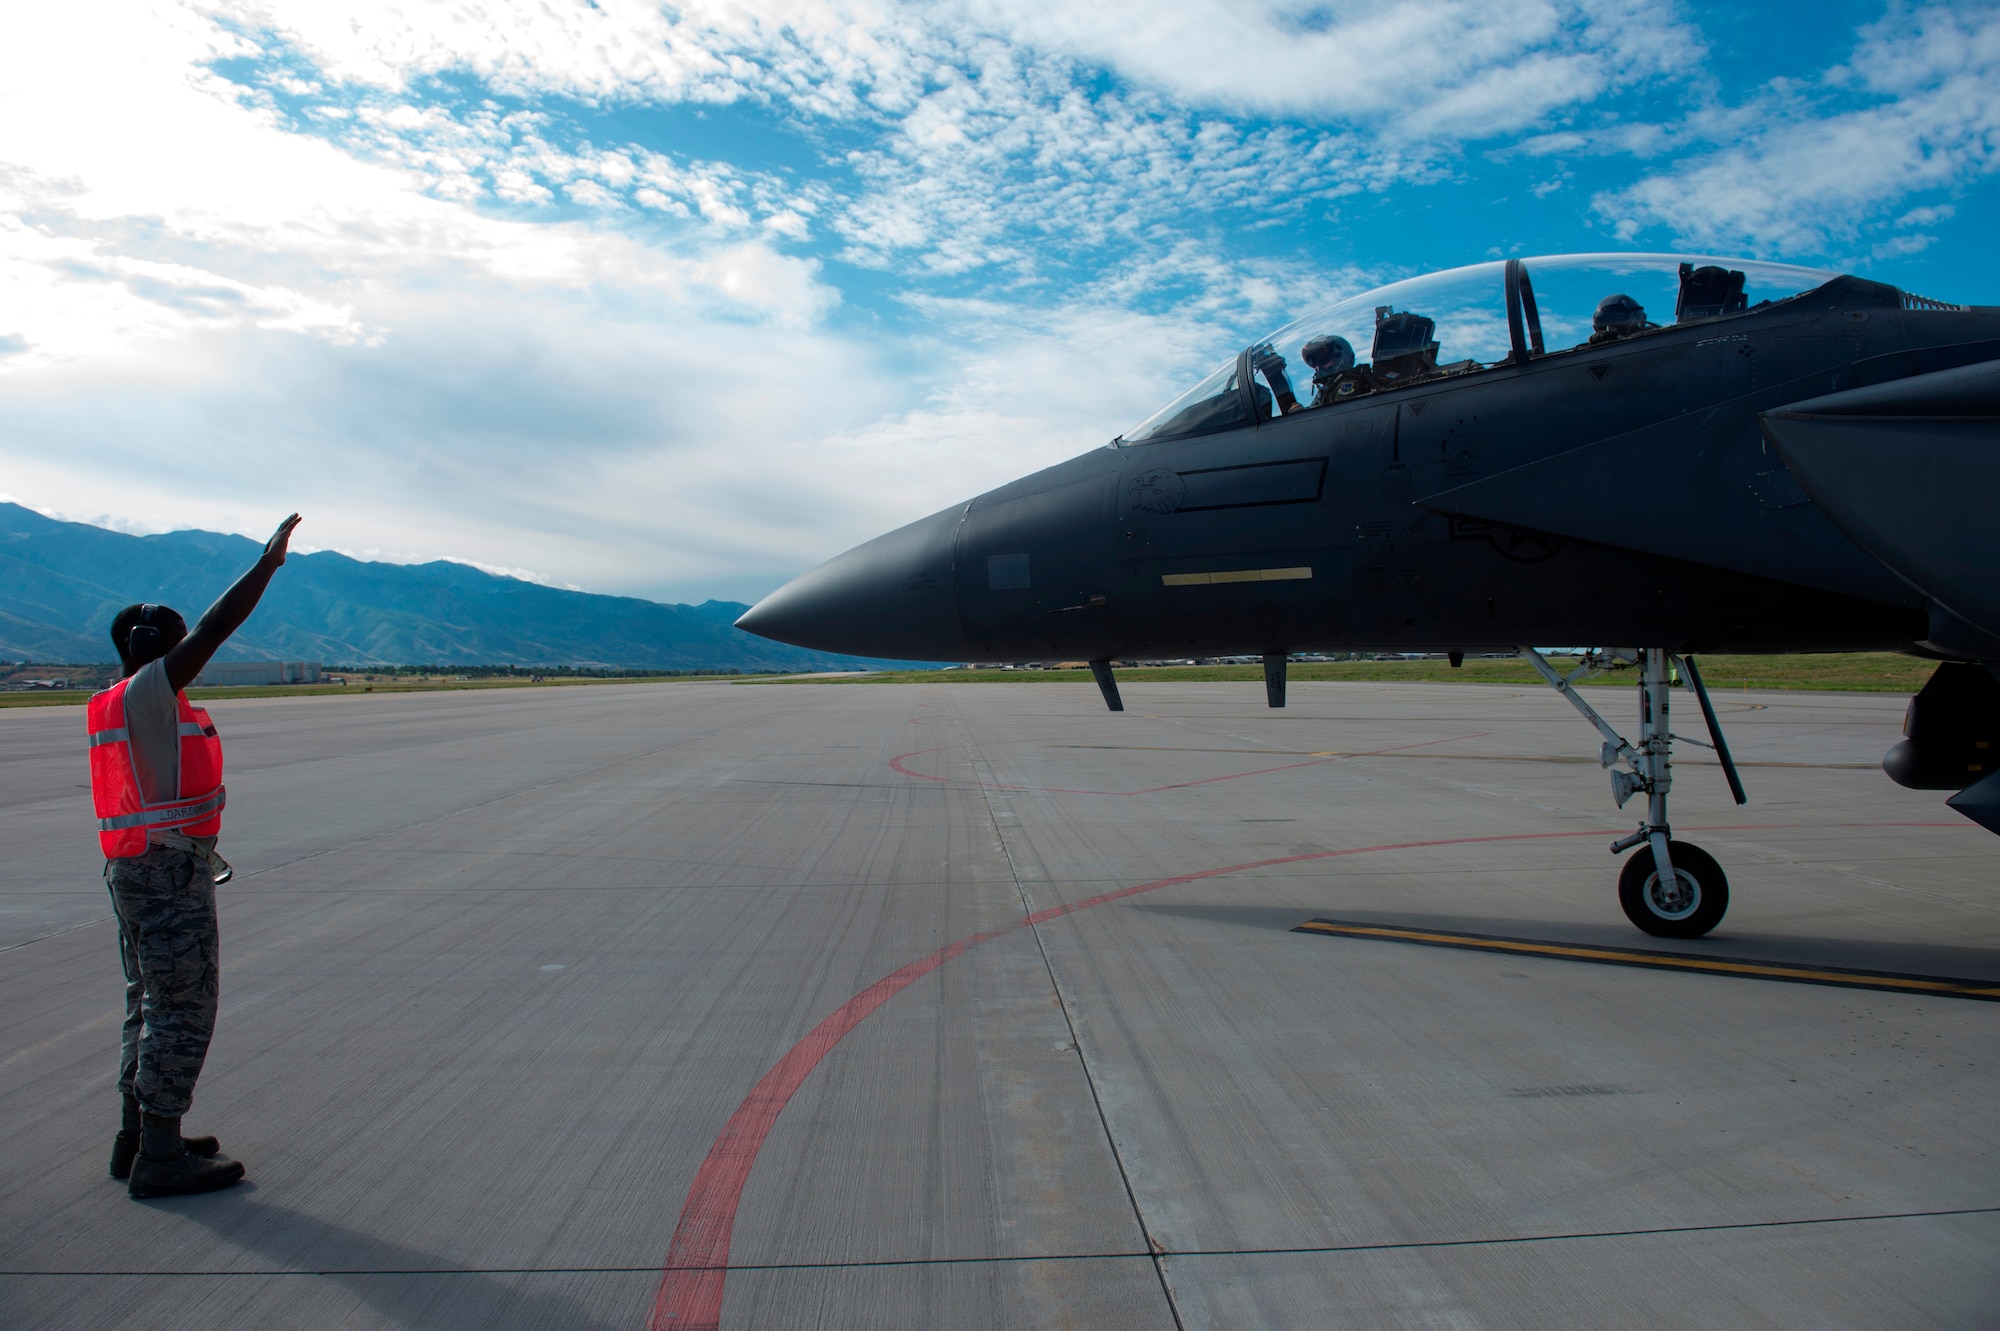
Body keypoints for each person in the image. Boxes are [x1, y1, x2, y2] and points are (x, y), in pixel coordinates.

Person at [89, 513, 301, 1199]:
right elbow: (216, 628)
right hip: (166, 872)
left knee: (148, 1000)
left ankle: (139, 1136)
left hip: (138, 869)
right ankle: (159, 1156)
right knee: (183, 1005)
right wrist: (267, 564)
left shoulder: (113, 700)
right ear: (166, 651)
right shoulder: (150, 694)